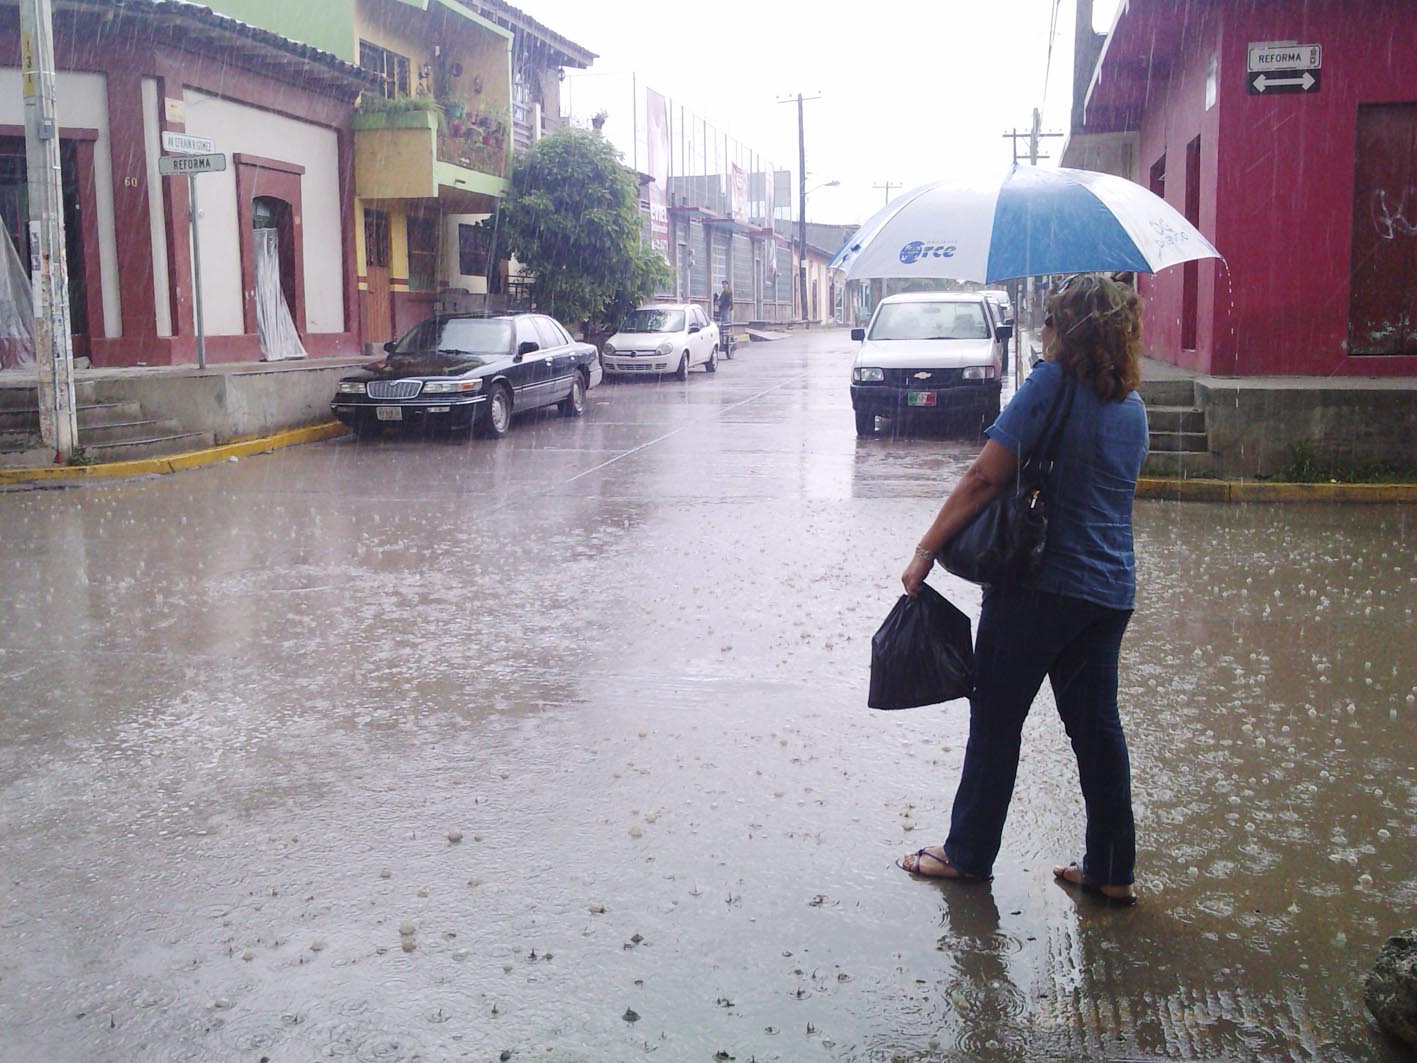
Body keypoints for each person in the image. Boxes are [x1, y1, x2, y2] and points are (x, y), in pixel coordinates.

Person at [896, 273, 1149, 906]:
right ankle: (1111, 870)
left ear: (1066, 329)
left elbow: (985, 477)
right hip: (1109, 591)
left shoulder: (1048, 385)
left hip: (1037, 588)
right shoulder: (1134, 408)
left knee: (997, 720)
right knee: (1097, 730)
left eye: (1053, 318)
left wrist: (927, 548)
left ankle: (967, 855)